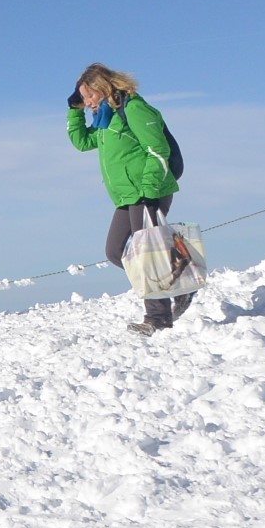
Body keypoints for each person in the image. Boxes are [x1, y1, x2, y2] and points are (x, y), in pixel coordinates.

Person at [66, 64, 191, 335]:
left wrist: (149, 187)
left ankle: (157, 318)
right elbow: (81, 143)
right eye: (83, 98)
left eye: (88, 96)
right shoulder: (104, 120)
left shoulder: (133, 108)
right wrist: (74, 112)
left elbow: (158, 149)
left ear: (102, 88)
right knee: (115, 251)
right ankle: (181, 281)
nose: (86, 103)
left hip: (150, 191)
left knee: (146, 255)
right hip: (127, 196)